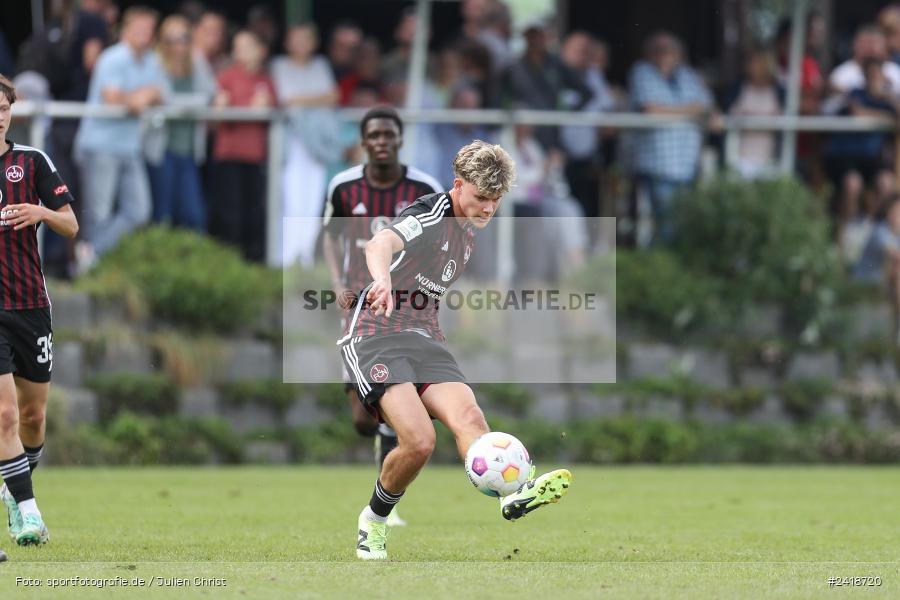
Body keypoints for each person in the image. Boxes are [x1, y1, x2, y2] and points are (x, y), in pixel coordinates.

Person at [342, 140, 572, 560]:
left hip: (424, 336)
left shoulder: (468, 229)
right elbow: (381, 244)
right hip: (375, 334)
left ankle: (511, 492)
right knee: (419, 440)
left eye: (495, 201)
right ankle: (373, 521)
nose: (487, 209)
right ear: (458, 185)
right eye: (481, 198)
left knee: (470, 418)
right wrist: (383, 280)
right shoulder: (432, 214)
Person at [322, 106, 442, 529]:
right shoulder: (343, 186)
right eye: (373, 135)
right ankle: (390, 447)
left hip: (405, 306)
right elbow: (331, 237)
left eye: (389, 134)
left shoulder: (423, 187)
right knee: (361, 417)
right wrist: (338, 282)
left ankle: (385, 497)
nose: (381, 142)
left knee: (396, 395)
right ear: (363, 140)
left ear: (399, 138)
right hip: (357, 306)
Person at [0, 74, 80, 546]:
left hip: (31, 306)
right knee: (5, 416)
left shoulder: (32, 162)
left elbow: (70, 224)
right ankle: (29, 512)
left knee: (33, 417)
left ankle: (15, 490)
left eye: (4, 106)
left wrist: (40, 213)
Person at [74, 6, 168, 269]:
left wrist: (143, 96)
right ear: (125, 31)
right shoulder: (112, 58)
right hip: (100, 145)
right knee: (99, 213)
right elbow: (114, 98)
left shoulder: (151, 60)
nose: (145, 34)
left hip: (130, 146)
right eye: (139, 28)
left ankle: (92, 252)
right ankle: (90, 269)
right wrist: (142, 96)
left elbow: (160, 94)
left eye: (149, 29)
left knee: (139, 212)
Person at [628, 31, 713, 245]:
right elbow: (651, 110)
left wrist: (678, 111)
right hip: (657, 164)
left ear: (679, 54)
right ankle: (660, 270)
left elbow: (706, 107)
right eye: (659, 49)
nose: (664, 54)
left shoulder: (688, 75)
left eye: (669, 49)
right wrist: (690, 111)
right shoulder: (641, 72)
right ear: (649, 53)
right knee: (666, 224)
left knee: (682, 223)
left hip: (686, 163)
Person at [271, 23, 339, 266]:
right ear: (287, 42)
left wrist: (302, 101)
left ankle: (305, 256)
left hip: (317, 142)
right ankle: (285, 258)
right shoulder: (279, 65)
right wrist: (315, 99)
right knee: (290, 199)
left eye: (305, 39)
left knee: (311, 200)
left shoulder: (320, 65)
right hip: (292, 142)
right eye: (295, 39)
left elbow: (332, 96)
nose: (300, 44)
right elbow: (286, 99)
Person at [208, 30, 277, 262]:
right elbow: (214, 118)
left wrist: (264, 108)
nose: (240, 52)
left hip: (255, 157)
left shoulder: (266, 80)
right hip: (229, 155)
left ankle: (252, 263)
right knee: (230, 213)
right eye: (237, 46)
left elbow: (274, 112)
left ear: (261, 50)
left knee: (253, 212)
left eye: (246, 46)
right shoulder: (226, 77)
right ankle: (229, 263)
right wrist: (223, 108)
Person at [147, 14, 217, 231]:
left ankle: (191, 263)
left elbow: (210, 94)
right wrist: (196, 103)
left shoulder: (197, 61)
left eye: (183, 38)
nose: (178, 45)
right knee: (163, 214)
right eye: (171, 39)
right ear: (163, 41)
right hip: (161, 150)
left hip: (189, 151)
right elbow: (165, 100)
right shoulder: (154, 62)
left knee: (194, 214)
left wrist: (185, 103)